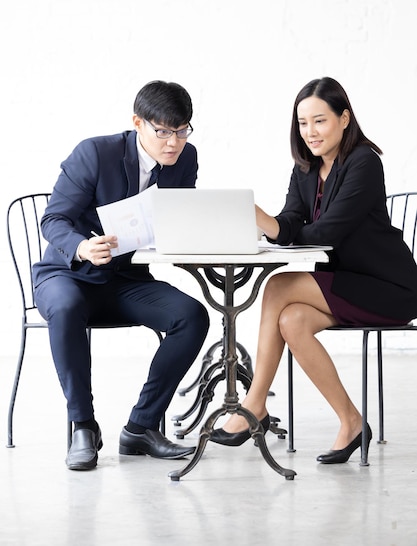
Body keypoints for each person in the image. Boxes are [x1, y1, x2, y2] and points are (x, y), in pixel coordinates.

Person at [211, 76, 417, 463]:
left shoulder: (364, 163)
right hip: (346, 283)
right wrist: (266, 220)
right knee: (292, 320)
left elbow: (330, 231)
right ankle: (352, 422)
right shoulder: (305, 168)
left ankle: (254, 403)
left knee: (277, 287)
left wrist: (275, 228)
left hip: (388, 287)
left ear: (344, 118)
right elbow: (291, 218)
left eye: (319, 120)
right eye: (303, 123)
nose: (310, 132)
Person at [33, 80, 210, 471]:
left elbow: (179, 219)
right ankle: (83, 426)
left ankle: (141, 428)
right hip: (68, 274)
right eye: (163, 131)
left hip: (125, 281)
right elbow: (54, 218)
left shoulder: (186, 158)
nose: (173, 142)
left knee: (192, 316)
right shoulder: (95, 153)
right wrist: (81, 247)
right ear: (137, 123)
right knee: (65, 308)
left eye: (182, 131)